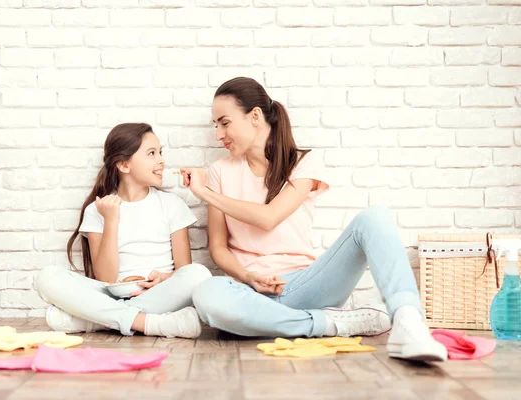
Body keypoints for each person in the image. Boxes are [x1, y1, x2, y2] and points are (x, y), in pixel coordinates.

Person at [180, 77, 447, 361]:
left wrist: (203, 192)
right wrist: (248, 277)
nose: (218, 134)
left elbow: (269, 218)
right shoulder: (221, 170)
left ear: (255, 116)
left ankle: (408, 322)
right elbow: (218, 249)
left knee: (375, 217)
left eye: (224, 122)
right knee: (207, 291)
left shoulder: (302, 163)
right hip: (252, 293)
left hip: (307, 285)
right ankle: (329, 324)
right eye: (215, 125)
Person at [36, 123, 211, 339]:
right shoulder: (98, 210)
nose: (161, 160)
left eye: (160, 152)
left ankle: (96, 321)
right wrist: (111, 220)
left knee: (200, 275)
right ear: (124, 165)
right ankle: (151, 323)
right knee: (47, 277)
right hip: (110, 295)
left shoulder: (172, 205)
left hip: (157, 294)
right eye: (151, 153)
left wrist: (162, 278)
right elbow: (105, 277)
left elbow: (184, 270)